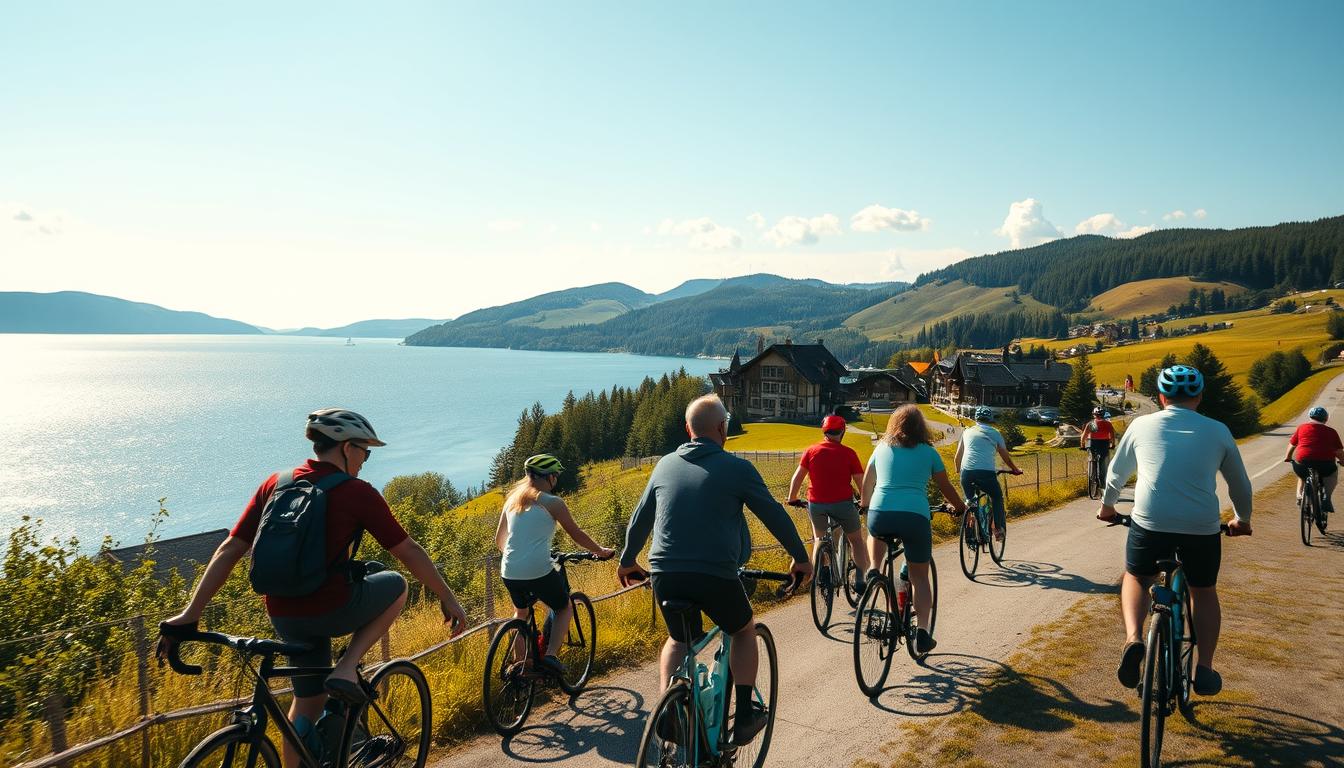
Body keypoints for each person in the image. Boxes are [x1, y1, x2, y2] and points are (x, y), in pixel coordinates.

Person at [158, 409, 468, 768]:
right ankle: (348, 667)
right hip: (332, 607)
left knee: (305, 701)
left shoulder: (276, 483)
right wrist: (447, 596)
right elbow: (408, 551)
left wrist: (190, 614)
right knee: (397, 584)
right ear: (347, 448)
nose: (366, 460)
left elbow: (230, 549)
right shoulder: (357, 492)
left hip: (283, 614)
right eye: (365, 451)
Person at [617, 395, 812, 746]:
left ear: (688, 429)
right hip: (715, 573)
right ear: (722, 428)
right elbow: (774, 515)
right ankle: (746, 714)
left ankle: (668, 709)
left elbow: (640, 518)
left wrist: (627, 560)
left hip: (665, 572)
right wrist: (801, 557)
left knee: (679, 639)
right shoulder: (737, 469)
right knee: (742, 629)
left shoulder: (664, 465)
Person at [1097, 366, 1252, 697]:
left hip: (1151, 522)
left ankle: (1134, 638)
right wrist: (1242, 519)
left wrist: (1107, 508)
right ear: (1199, 396)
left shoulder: (1141, 425)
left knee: (1137, 577)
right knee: (1203, 590)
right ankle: (1205, 669)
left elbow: (1116, 474)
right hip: (1201, 527)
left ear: (1162, 397)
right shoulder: (1218, 430)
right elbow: (1239, 483)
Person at [494, 453, 614, 675]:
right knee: (563, 607)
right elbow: (576, 534)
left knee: (520, 614)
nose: (556, 481)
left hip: (509, 569)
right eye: (555, 476)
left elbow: (499, 540)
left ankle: (521, 665)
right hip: (537, 568)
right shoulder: (553, 503)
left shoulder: (512, 500)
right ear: (548, 477)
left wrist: (519, 556)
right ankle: (550, 656)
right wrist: (600, 551)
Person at [860, 405, 967, 655]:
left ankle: (874, 569)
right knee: (919, 577)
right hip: (914, 516)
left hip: (881, 512)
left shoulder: (882, 448)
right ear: (921, 427)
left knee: (875, 534)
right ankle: (922, 632)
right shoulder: (929, 453)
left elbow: (867, 480)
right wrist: (960, 507)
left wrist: (865, 505)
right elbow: (945, 486)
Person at [787, 413, 871, 594]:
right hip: (843, 505)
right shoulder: (849, 453)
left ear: (824, 431)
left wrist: (792, 498)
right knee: (856, 540)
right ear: (842, 432)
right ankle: (859, 579)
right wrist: (864, 503)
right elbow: (860, 482)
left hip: (817, 505)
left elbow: (798, 477)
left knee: (820, 538)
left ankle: (822, 573)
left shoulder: (811, 451)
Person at [954, 406, 1023, 542]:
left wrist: (958, 471)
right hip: (986, 473)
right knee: (997, 497)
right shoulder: (995, 433)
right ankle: (998, 530)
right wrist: (1015, 469)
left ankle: (971, 532)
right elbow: (1006, 457)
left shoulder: (967, 431)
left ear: (976, 419)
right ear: (990, 419)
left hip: (966, 473)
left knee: (970, 501)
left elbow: (957, 457)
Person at [1284, 406, 1344, 516]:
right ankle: (1327, 497)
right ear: (1326, 419)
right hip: (1326, 464)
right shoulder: (1332, 432)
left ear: (1310, 417)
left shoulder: (1301, 428)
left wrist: (1288, 457)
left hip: (1304, 462)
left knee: (1302, 476)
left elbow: (1292, 445)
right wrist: (1343, 461)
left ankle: (1300, 496)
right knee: (1332, 475)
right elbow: (1339, 452)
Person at [1080, 405, 1117, 472]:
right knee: (1103, 459)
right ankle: (1104, 473)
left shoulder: (1090, 424)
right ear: (1103, 415)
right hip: (1104, 443)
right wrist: (1113, 444)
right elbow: (1112, 435)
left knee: (1091, 454)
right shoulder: (1108, 424)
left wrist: (1082, 445)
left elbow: (1084, 436)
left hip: (1092, 443)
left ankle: (1091, 467)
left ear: (1094, 415)